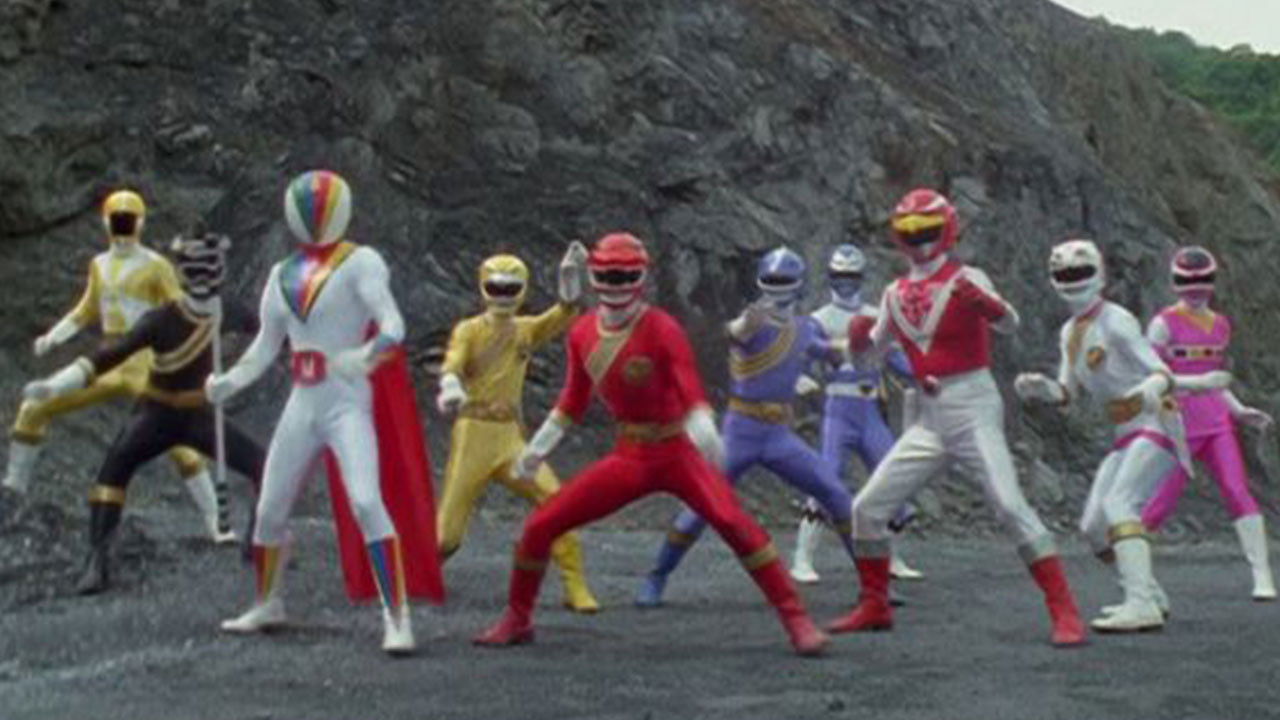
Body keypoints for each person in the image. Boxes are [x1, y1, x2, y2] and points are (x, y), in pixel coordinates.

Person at [473, 232, 828, 656]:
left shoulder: (661, 328)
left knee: (735, 523)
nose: (617, 285)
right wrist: (538, 449)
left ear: (641, 278)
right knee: (539, 525)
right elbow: (572, 401)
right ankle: (517, 618)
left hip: (677, 451)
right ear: (594, 276)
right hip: (631, 453)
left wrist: (702, 425)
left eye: (626, 276)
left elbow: (688, 384)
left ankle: (796, 618)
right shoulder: (583, 332)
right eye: (609, 276)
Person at [830, 188, 1085, 647]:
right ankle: (874, 603)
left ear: (946, 229)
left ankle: (1064, 609)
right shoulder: (894, 293)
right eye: (909, 231)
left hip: (971, 401)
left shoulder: (967, 277)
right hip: (928, 413)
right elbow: (870, 360)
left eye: (926, 229)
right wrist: (858, 343)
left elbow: (1009, 323)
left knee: (1009, 504)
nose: (919, 239)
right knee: (867, 508)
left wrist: (987, 305)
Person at [207, 170, 443, 654]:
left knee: (366, 502)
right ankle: (268, 601)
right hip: (304, 400)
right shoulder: (281, 274)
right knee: (269, 509)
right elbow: (265, 346)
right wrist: (228, 382)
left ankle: (396, 616)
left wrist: (366, 354)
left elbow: (393, 323)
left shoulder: (361, 262)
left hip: (346, 400)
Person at [23, 233, 264, 594]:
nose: (203, 277)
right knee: (111, 474)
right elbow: (109, 356)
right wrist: (56, 386)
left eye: (209, 269)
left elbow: (269, 333)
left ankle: (259, 543)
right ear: (183, 273)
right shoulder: (160, 320)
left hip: (199, 414)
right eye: (196, 269)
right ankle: (97, 559)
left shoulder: (229, 310)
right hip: (156, 413)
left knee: (265, 467)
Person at [634, 246, 868, 608]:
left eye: (784, 280)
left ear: (798, 284)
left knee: (835, 494)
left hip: (778, 434)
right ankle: (657, 575)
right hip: (741, 431)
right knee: (703, 504)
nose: (778, 287)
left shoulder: (804, 328)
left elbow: (830, 351)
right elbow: (734, 334)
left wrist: (861, 343)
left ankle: (873, 583)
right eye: (772, 280)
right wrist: (743, 326)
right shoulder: (753, 320)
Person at [3, 190, 230, 543]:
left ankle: (215, 519)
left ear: (139, 223)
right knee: (34, 409)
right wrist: (53, 338)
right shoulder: (99, 265)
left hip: (147, 361)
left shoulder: (156, 266)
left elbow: (181, 313)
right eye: (117, 221)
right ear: (107, 223)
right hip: (110, 359)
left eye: (128, 221)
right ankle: (13, 492)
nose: (122, 229)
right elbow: (85, 310)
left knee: (177, 438)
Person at [1016, 239, 1210, 632]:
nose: (1072, 280)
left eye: (1080, 272)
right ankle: (1149, 592)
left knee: (1121, 504)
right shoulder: (1070, 332)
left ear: (1100, 275)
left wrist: (1151, 388)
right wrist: (1042, 389)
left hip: (1155, 422)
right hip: (1125, 431)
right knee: (1093, 527)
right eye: (1064, 274)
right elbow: (1067, 392)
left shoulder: (1117, 321)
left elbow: (1161, 371)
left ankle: (1140, 604)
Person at [435, 247, 600, 613]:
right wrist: (450, 386)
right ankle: (420, 572)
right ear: (484, 288)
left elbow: (564, 313)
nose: (503, 295)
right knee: (447, 535)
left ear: (522, 290)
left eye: (511, 288)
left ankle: (574, 584)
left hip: (509, 436)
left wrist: (570, 276)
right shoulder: (469, 330)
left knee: (557, 501)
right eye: (496, 287)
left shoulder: (525, 330)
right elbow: (453, 363)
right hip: (474, 433)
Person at [1140, 246, 1275, 601]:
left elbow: (1216, 379)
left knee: (1237, 489)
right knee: (1160, 500)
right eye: (1187, 281)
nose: (1196, 289)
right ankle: (1137, 576)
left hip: (1216, 423)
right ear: (1175, 283)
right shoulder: (1163, 325)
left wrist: (1239, 410)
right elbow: (1152, 377)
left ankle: (1262, 574)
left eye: (1203, 281)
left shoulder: (1220, 326)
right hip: (1177, 424)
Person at [790, 244, 923, 585]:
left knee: (895, 477)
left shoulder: (878, 316)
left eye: (851, 277)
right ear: (830, 277)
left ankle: (891, 556)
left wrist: (928, 373)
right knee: (826, 478)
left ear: (861, 278)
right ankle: (802, 557)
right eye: (840, 276)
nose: (845, 283)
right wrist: (799, 378)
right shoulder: (819, 319)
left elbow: (898, 360)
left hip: (869, 410)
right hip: (838, 409)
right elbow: (801, 357)